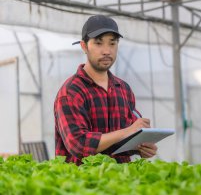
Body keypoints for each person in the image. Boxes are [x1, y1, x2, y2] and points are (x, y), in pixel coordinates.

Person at [54, 14, 157, 165]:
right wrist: (128, 131)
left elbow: (130, 135)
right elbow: (79, 145)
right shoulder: (71, 92)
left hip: (121, 180)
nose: (106, 51)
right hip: (81, 183)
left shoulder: (123, 89)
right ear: (84, 46)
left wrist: (142, 147)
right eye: (98, 43)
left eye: (112, 43)